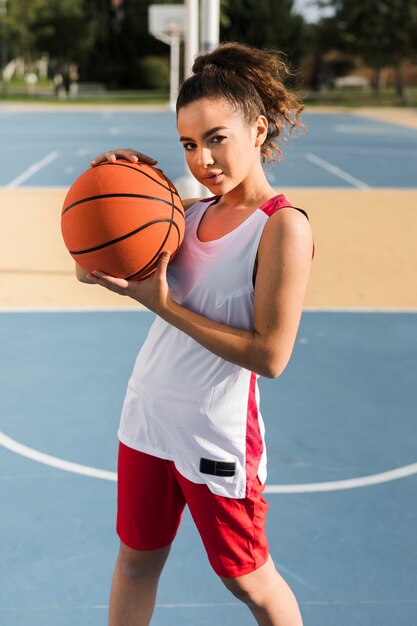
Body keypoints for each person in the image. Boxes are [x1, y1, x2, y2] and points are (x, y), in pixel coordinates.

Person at [76, 42, 313, 626]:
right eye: (188, 143)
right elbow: (89, 267)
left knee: (249, 581)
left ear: (258, 130)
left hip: (215, 435)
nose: (203, 158)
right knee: (135, 562)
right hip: (148, 419)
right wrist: (114, 190)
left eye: (216, 138)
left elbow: (272, 356)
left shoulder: (282, 226)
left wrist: (164, 306)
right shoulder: (187, 213)